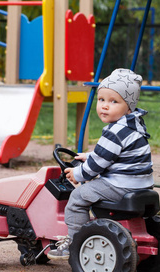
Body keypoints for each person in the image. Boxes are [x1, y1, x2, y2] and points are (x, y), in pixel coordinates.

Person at [47, 68, 154, 260]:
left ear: (128, 106)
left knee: (78, 196)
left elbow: (97, 166)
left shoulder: (114, 132)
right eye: (101, 100)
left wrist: (78, 174)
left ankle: (75, 242)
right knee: (91, 186)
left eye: (114, 101)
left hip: (121, 185)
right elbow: (114, 154)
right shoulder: (134, 125)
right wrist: (90, 155)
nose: (105, 106)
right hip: (141, 184)